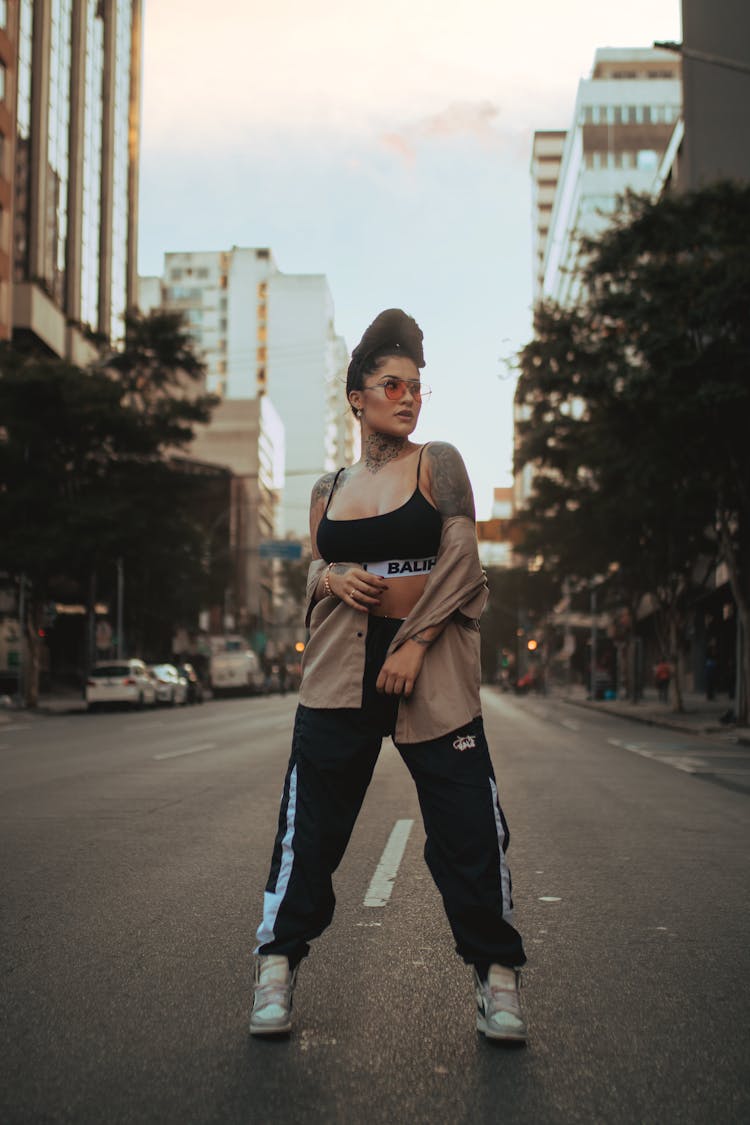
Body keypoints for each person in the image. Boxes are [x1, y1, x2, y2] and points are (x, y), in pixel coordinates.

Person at [250, 309, 527, 1043]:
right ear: (358, 396)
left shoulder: (437, 462)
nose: (407, 396)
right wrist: (332, 574)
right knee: (308, 832)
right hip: (338, 677)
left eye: (416, 386)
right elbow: (314, 564)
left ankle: (497, 978)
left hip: (429, 671)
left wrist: (415, 640)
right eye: (392, 383)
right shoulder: (326, 488)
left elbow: (463, 561)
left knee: (468, 830)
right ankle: (276, 965)